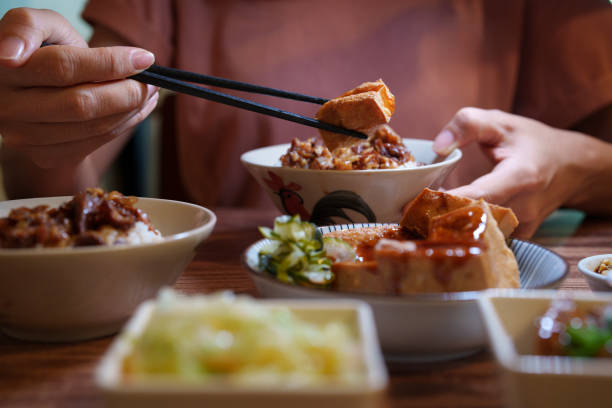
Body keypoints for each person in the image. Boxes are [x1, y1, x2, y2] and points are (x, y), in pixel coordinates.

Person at [0, 1, 610, 238]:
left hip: (468, 300)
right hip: (235, 305)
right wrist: (40, 115)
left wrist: (575, 166)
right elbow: (57, 181)